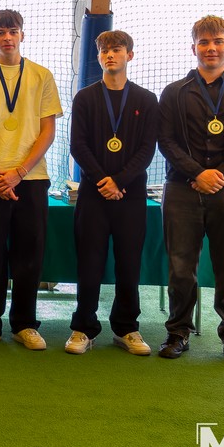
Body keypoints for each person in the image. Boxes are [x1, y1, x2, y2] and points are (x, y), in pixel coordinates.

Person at [157, 15, 224, 368]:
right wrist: (197, 173)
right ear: (194, 48)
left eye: (217, 41)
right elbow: (166, 141)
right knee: (180, 268)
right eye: (204, 42)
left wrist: (218, 174)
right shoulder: (174, 92)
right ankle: (178, 332)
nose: (211, 48)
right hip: (182, 190)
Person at [0, 9, 62, 350]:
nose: (7, 37)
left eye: (13, 31)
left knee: (29, 255)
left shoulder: (42, 76)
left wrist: (19, 173)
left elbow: (48, 131)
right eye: (1, 32)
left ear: (22, 35)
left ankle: (24, 325)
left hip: (31, 179)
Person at [65, 30, 159, 355]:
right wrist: (104, 181)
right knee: (89, 264)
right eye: (104, 50)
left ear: (129, 55)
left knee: (129, 265)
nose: (110, 55)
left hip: (131, 197)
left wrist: (119, 181)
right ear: (98, 57)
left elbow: (147, 149)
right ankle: (83, 328)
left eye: (116, 50)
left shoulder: (146, 100)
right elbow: (78, 145)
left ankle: (126, 329)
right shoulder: (85, 98)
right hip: (93, 195)